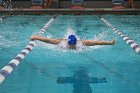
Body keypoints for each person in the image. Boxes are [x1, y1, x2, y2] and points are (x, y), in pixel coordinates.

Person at [30, 35, 115, 49]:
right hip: (62, 40)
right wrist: (35, 37)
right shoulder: (61, 42)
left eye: (73, 44)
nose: (72, 46)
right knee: (56, 40)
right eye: (70, 44)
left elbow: (97, 42)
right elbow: (47, 40)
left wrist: (110, 43)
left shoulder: (81, 43)